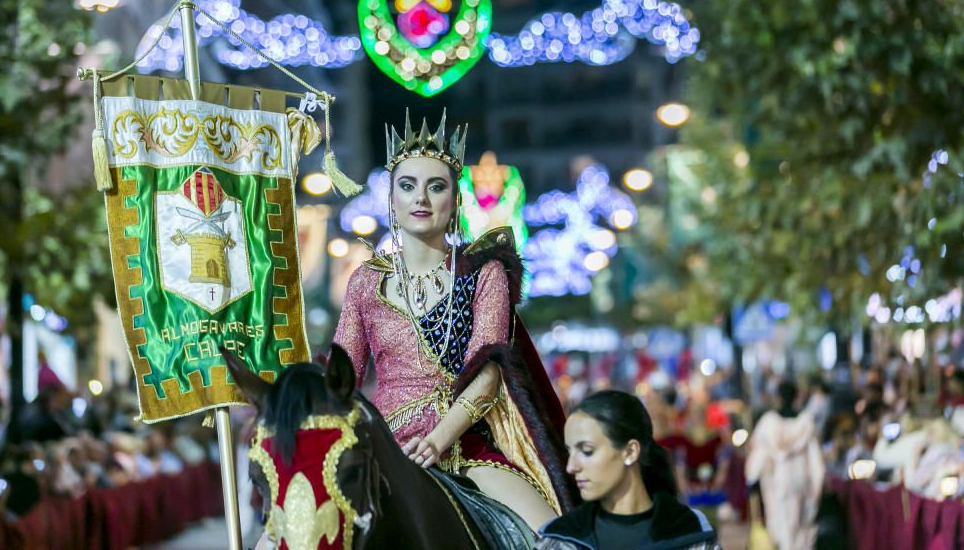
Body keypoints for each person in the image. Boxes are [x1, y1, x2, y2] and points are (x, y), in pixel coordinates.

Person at [333, 111, 575, 530]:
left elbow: (489, 372)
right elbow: (340, 376)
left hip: (467, 448)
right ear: (392, 198)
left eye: (436, 186)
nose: (421, 199)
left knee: (552, 538)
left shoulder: (485, 273)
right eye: (407, 186)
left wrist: (439, 440)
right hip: (382, 446)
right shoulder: (365, 282)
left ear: (455, 199)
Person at [537, 390, 720, 550]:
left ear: (630, 451)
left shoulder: (691, 532)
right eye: (570, 452)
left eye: (586, 451)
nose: (571, 467)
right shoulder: (558, 539)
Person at [745, 380, 824, 550]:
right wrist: (817, 488)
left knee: (783, 525)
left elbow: (759, 456)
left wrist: (752, 479)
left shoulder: (768, 424)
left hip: (778, 479)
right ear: (797, 397)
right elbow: (816, 461)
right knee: (802, 528)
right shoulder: (805, 423)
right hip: (802, 479)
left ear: (778, 397)